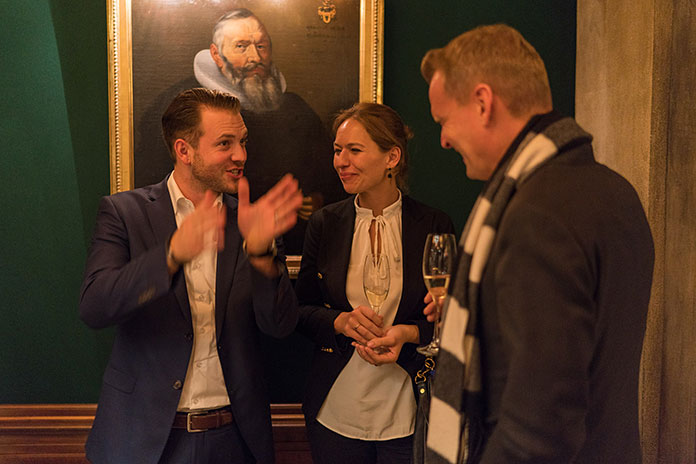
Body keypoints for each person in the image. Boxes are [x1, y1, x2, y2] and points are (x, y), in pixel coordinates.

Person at [420, 25, 655, 463]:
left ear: (483, 103)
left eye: (443, 120)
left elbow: (540, 424)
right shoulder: (616, 191)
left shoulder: (536, 215)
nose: (444, 139)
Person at [79, 88, 303, 463]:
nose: (241, 155)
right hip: (145, 440)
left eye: (243, 142)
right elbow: (94, 307)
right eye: (225, 143)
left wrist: (262, 256)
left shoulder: (252, 220)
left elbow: (279, 326)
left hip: (234, 439)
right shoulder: (124, 213)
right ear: (185, 150)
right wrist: (170, 256)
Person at [294, 102, 455, 464]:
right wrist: (339, 321)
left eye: (354, 150)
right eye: (338, 150)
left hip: (408, 406)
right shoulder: (324, 223)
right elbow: (300, 310)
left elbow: (452, 317)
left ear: (391, 158)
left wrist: (407, 334)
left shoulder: (433, 224)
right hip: (335, 409)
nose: (341, 161)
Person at [194, 8, 346, 254]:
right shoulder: (195, 109)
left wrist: (318, 200)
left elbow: (329, 177)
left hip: (292, 244)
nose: (255, 57)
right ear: (216, 55)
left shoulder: (295, 108)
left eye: (261, 47)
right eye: (242, 47)